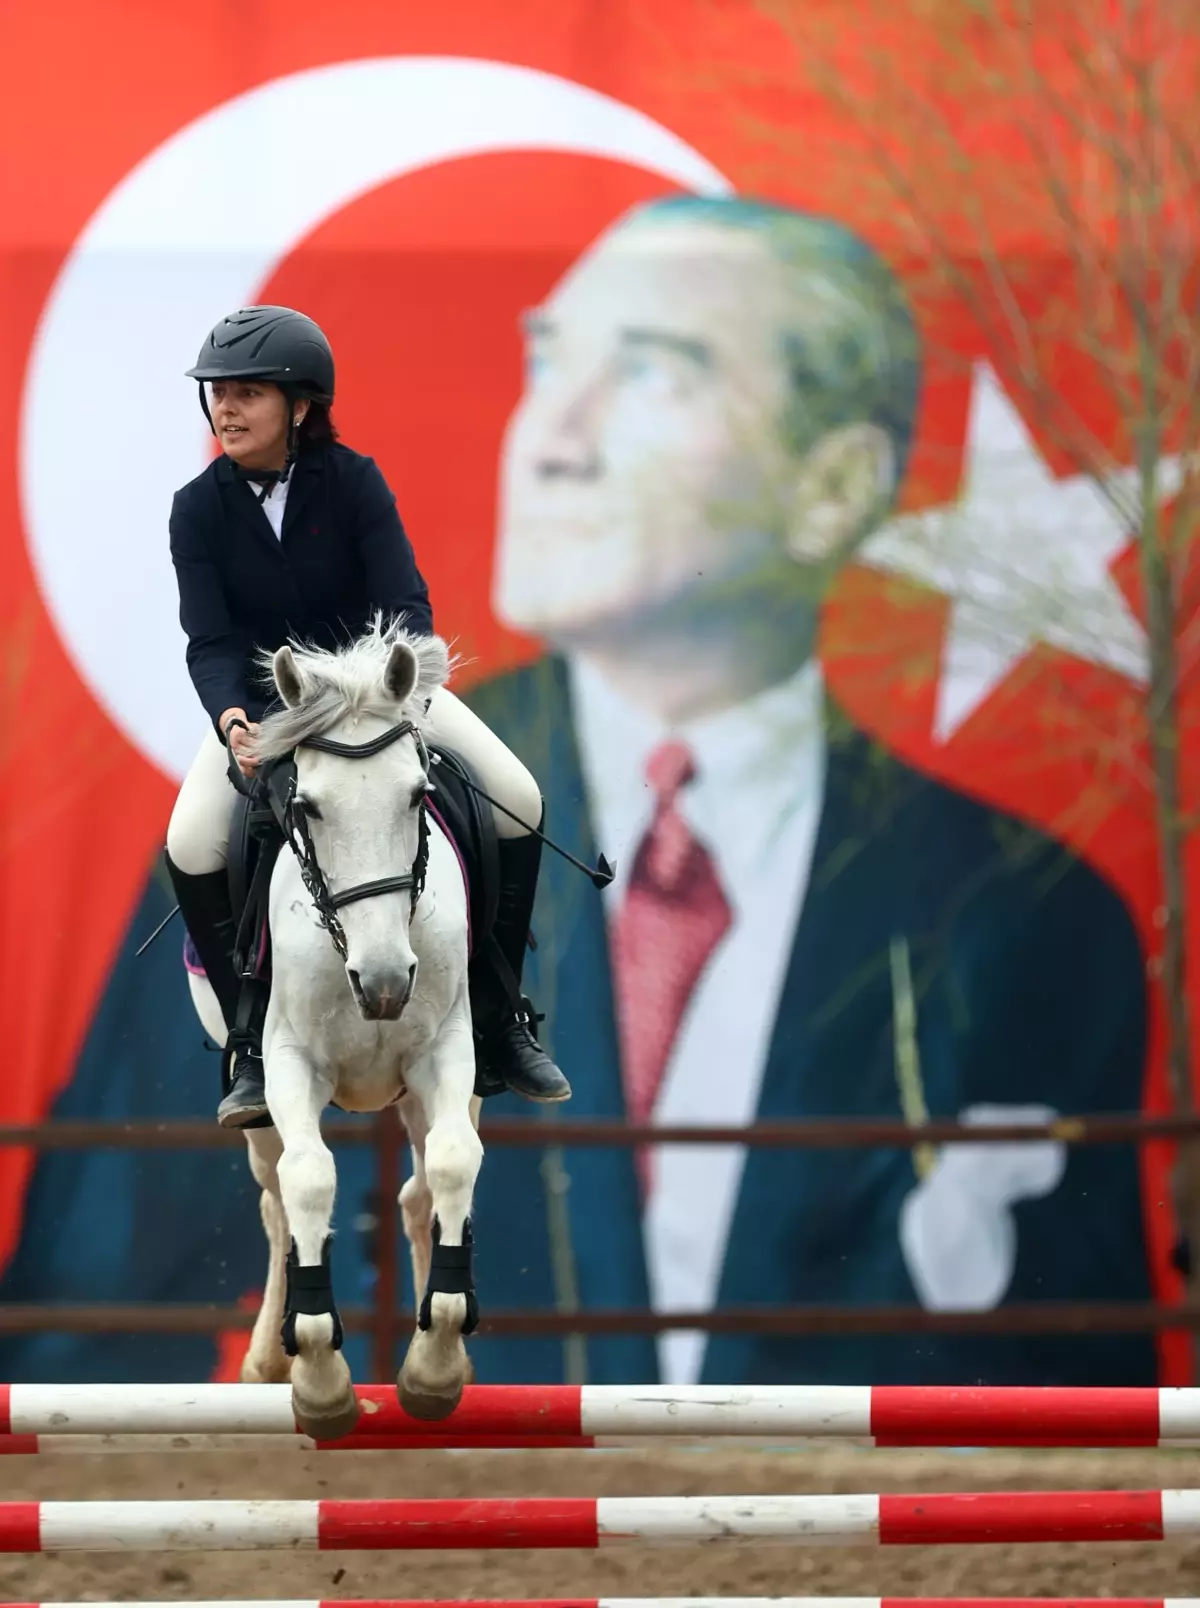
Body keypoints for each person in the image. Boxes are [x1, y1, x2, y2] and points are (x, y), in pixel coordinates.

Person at [463, 195, 1152, 1388]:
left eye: (652, 376)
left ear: (831, 487)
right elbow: (87, 1330)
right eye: (546, 362)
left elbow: (1070, 1421)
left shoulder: (1027, 916)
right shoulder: (330, 831)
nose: (550, 440)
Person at [164, 304, 570, 1128]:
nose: (226, 409)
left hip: (380, 697)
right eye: (217, 393)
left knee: (519, 797)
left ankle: (498, 1015)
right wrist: (233, 719)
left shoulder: (355, 482)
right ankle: (249, 1043)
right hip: (273, 712)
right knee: (190, 840)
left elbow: (406, 607)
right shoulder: (195, 508)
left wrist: (399, 692)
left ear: (301, 406)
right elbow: (210, 639)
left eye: (248, 392)